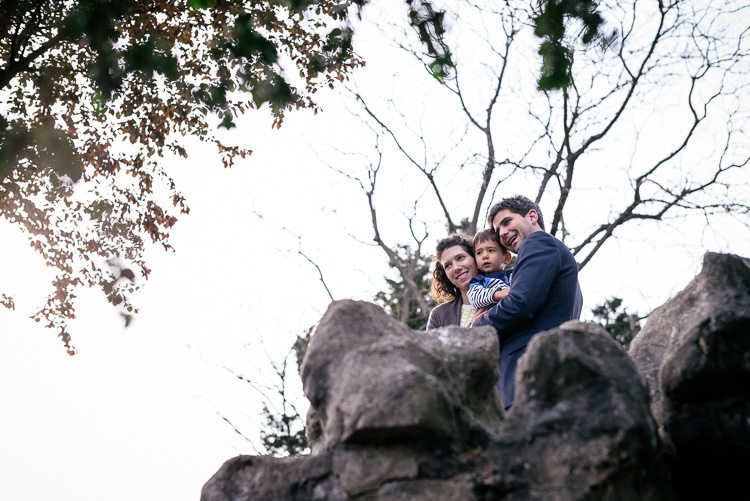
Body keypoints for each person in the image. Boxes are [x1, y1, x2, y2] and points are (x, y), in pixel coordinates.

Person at [474, 195, 583, 409]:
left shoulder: (538, 242)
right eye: (498, 231)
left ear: (532, 216)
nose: (502, 233)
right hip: (545, 375)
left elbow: (519, 303)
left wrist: (475, 330)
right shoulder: (554, 255)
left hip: (527, 372)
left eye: (507, 222)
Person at [426, 233, 480, 329]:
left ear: (475, 257)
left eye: (460, 258)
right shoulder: (438, 315)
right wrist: (472, 327)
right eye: (448, 265)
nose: (456, 268)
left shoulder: (504, 295)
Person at [467, 229, 513, 324]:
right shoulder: (478, 281)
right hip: (491, 323)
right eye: (479, 253)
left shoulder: (513, 274)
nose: (485, 256)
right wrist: (497, 294)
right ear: (476, 263)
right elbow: (475, 298)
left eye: (491, 250)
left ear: (506, 258)